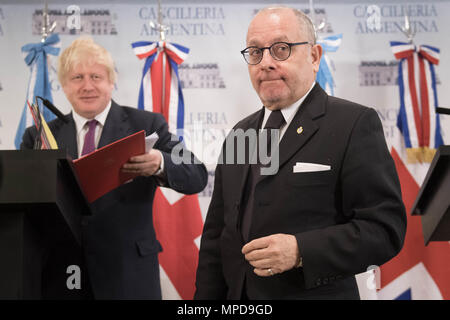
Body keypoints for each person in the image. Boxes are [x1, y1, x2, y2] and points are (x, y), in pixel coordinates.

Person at [194, 6, 406, 299]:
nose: (265, 62)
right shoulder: (239, 134)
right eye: (255, 52)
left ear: (314, 56)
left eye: (281, 49)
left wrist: (300, 251)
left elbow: (384, 231)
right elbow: (218, 238)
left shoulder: (353, 124)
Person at [21, 36, 207, 299]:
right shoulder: (38, 136)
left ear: (111, 81)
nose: (87, 86)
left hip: (128, 273)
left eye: (96, 77)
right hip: (62, 275)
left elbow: (196, 174)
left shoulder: (147, 124)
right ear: (63, 85)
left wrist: (159, 163)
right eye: (77, 78)